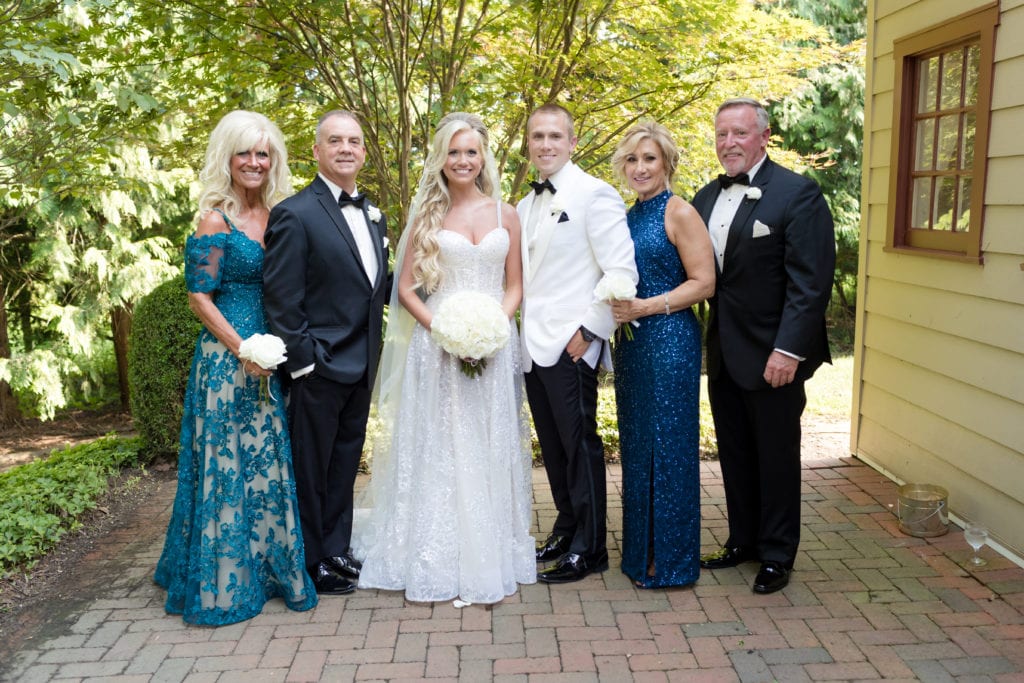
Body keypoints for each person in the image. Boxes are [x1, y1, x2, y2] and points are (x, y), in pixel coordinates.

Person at [352, 112, 536, 604]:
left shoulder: (506, 214)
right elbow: (406, 289)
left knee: (486, 441)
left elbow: (514, 283)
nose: (462, 160)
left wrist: (496, 326)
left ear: (483, 158)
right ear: (441, 159)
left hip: (495, 345)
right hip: (436, 346)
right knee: (441, 443)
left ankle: (491, 547)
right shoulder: (427, 217)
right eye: (453, 152)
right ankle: (433, 551)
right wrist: (444, 330)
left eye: (471, 151)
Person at [154, 110, 318, 625]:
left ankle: (270, 571)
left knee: (266, 468)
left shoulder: (280, 215)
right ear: (228, 157)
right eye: (245, 152)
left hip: (272, 362)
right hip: (227, 366)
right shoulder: (214, 218)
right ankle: (225, 581)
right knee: (227, 471)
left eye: (263, 153)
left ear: (274, 161)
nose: (254, 162)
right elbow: (199, 298)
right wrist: (244, 349)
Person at [691, 97, 835, 594]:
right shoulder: (704, 198)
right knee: (734, 450)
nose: (728, 143)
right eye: (721, 134)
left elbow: (810, 284)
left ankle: (777, 553)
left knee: (775, 455)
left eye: (739, 133)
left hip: (775, 354)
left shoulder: (798, 193)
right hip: (724, 351)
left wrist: (789, 351)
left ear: (764, 137)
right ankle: (743, 541)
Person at [263, 110, 389, 595]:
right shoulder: (295, 212)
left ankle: (337, 550)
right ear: (316, 151)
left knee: (343, 465)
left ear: (362, 151)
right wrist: (305, 361)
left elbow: (369, 286)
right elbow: (282, 298)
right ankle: (312, 559)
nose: (345, 148)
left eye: (354, 141)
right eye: (334, 140)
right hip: (319, 367)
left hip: (362, 365)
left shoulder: (373, 212)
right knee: (311, 469)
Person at [518, 104, 638, 584]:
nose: (545, 145)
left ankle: (590, 548)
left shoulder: (595, 194)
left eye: (554, 136)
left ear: (571, 142)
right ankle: (567, 527)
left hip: (572, 343)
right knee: (552, 445)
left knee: (580, 444)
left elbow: (621, 271)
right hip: (531, 345)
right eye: (536, 137)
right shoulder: (524, 205)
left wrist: (588, 332)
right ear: (528, 144)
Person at [608, 121, 716, 589]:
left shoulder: (679, 212)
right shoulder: (626, 216)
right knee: (637, 445)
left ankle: (671, 559)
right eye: (631, 160)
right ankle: (640, 552)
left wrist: (648, 306)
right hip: (632, 345)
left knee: (669, 446)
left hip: (670, 338)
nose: (640, 168)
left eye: (649, 158)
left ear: (667, 162)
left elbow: (704, 282)